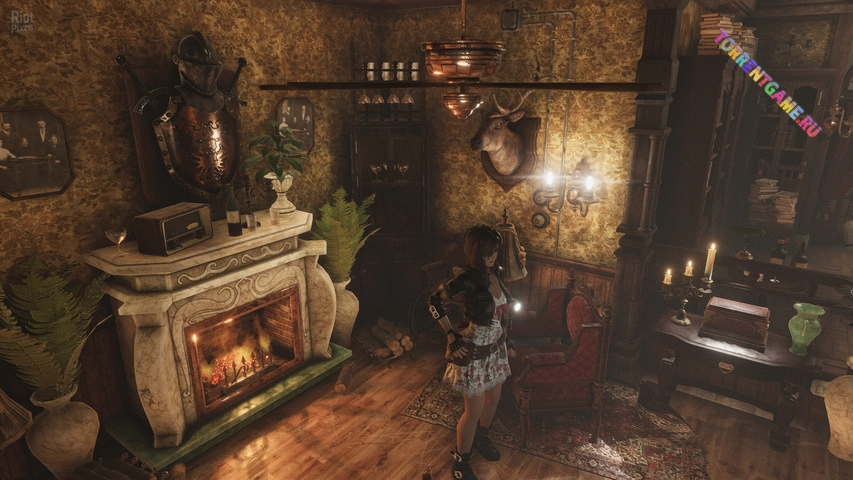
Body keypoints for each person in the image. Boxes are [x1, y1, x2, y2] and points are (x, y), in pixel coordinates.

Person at [427, 225, 516, 480]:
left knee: (494, 398)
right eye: (488, 251)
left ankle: (482, 438)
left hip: (496, 348)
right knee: (473, 411)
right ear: (477, 251)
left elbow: (503, 313)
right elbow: (434, 300)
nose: (493, 256)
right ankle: (461, 464)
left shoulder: (497, 271)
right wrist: (450, 334)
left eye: (495, 250)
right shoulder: (467, 277)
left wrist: (507, 340)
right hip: (474, 352)